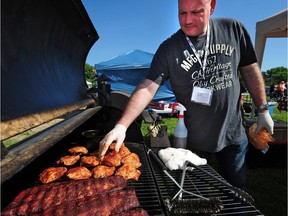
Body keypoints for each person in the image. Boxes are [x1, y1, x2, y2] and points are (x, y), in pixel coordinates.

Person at [99, 0, 274, 190]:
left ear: (212, 6)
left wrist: (263, 109)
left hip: (233, 133)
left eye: (196, 11)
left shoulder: (233, 29)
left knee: (236, 189)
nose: (188, 20)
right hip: (195, 139)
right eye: (182, 13)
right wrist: (121, 125)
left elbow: (249, 69)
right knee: (196, 192)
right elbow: (148, 86)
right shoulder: (169, 49)